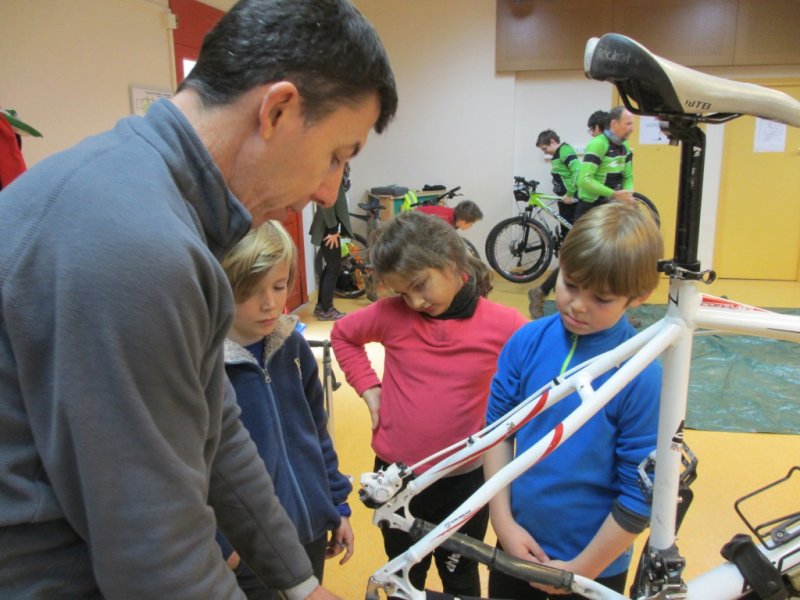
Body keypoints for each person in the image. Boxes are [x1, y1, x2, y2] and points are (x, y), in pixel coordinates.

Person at [0, 0, 397, 598]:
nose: (325, 190)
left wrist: (297, 583)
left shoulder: (144, 195)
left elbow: (214, 430)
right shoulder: (138, 244)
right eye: (337, 155)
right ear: (279, 110)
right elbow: (153, 550)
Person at [330, 211, 527, 596]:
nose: (416, 301)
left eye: (420, 285)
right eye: (403, 293)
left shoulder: (504, 323)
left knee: (460, 576)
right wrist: (370, 389)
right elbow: (343, 335)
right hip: (396, 481)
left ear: (452, 264)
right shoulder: (392, 315)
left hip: (465, 481)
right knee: (404, 575)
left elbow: (537, 369)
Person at [484, 202, 663, 599]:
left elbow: (640, 493)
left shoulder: (641, 375)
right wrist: (503, 523)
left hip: (593, 568)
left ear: (638, 297)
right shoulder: (527, 341)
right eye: (570, 284)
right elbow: (496, 435)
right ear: (559, 265)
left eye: (601, 298)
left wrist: (581, 571)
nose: (578, 305)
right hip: (515, 547)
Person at [218, 221, 354, 599]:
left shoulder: (292, 350)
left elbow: (316, 433)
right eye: (249, 291)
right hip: (246, 545)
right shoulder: (205, 368)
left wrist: (336, 503)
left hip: (308, 529)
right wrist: (218, 542)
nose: (269, 304)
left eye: (279, 287)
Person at [527, 129, 580, 319]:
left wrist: (572, 193)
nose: (545, 153)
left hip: (573, 203)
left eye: (545, 148)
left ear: (552, 141)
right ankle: (543, 292)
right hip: (567, 205)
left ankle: (542, 292)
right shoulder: (559, 155)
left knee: (575, 254)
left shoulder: (565, 150)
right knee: (572, 253)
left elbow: (577, 171)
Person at [575, 106, 636, 221]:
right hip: (591, 207)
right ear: (614, 124)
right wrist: (614, 194)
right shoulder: (598, 144)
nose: (632, 128)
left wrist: (628, 195)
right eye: (628, 124)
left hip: (612, 206)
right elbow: (584, 180)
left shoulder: (625, 145)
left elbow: (628, 176)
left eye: (632, 124)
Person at [311, 164, 354, 321]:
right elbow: (325, 203)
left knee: (331, 267)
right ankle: (326, 309)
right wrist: (333, 229)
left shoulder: (334, 169)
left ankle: (322, 306)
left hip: (329, 227)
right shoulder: (331, 171)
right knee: (334, 268)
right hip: (328, 228)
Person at [416, 198, 484, 231]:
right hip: (412, 224)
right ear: (463, 221)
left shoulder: (454, 214)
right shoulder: (444, 221)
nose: (471, 226)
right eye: (471, 224)